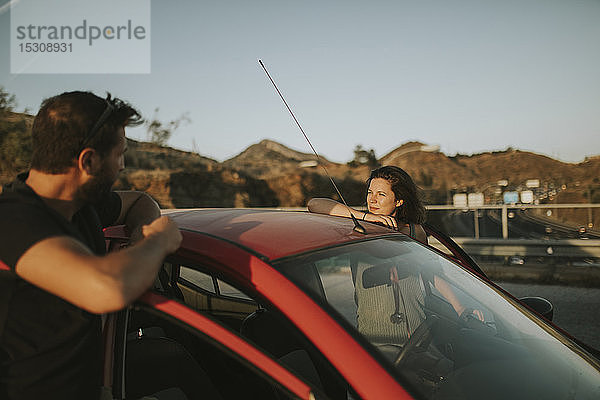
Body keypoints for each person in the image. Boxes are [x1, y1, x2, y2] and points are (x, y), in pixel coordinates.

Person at [0, 91, 182, 400]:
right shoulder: (14, 219)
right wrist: (159, 240)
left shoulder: (80, 205)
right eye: (119, 154)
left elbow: (140, 200)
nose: (122, 166)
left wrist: (140, 233)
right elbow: (107, 288)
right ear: (89, 160)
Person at [308, 166, 475, 343]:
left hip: (419, 334)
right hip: (376, 339)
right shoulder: (357, 227)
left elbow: (430, 270)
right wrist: (365, 218)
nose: (372, 200)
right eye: (370, 192)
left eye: (381, 194)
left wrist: (459, 307)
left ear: (399, 201)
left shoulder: (415, 231)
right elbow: (314, 204)